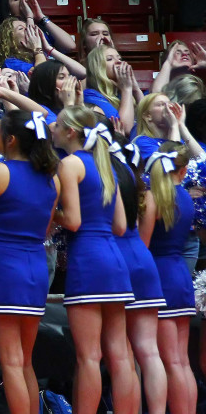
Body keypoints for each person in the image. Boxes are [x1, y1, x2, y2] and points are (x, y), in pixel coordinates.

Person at [0, 111, 59, 414]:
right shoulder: (52, 179)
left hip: (5, 267)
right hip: (35, 266)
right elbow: (46, 229)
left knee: (10, 362)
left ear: (11, 139)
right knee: (25, 361)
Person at [51, 105, 136, 414]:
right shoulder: (107, 165)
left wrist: (50, 211)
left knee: (88, 356)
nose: (52, 129)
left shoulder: (70, 164)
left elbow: (72, 220)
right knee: (120, 354)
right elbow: (121, 226)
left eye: (57, 125)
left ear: (71, 132)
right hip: (114, 260)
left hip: (88, 261)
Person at [109, 133, 167, 414]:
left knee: (122, 354)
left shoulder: (106, 182)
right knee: (150, 351)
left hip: (117, 263)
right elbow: (144, 239)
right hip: (144, 261)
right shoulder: (144, 190)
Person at [141, 142, 197, 414]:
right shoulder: (186, 197)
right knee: (182, 361)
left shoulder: (155, 197)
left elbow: (142, 246)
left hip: (159, 277)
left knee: (169, 361)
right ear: (183, 170)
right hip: (180, 276)